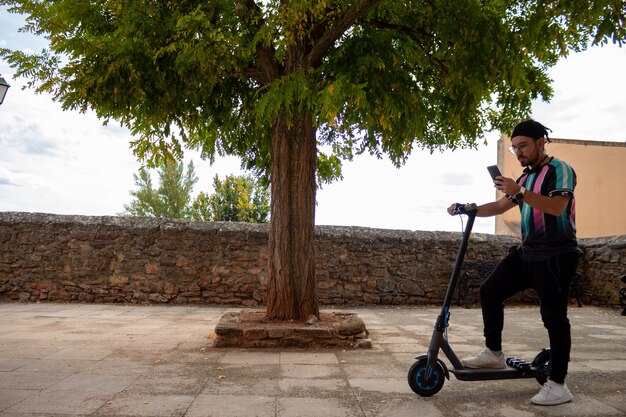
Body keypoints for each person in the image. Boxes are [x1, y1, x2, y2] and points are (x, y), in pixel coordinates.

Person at [448, 119, 581, 406]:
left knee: (554, 317)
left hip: (557, 253)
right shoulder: (524, 178)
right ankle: (493, 354)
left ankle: (558, 383)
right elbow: (499, 206)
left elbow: (557, 207)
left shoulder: (560, 170)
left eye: (523, 146)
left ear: (540, 142)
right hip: (528, 251)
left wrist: (519, 192)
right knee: (490, 291)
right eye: (514, 148)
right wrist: (467, 208)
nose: (518, 152)